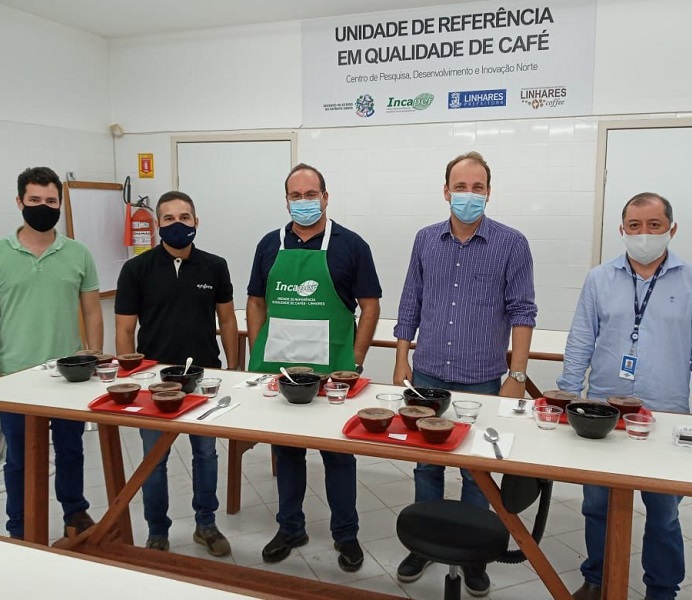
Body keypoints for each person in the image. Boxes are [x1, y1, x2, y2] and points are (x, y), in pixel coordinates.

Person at [393, 151, 537, 596]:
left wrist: (517, 375)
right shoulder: (425, 240)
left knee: (477, 470)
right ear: (446, 191)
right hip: (429, 375)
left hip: (483, 377)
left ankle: (474, 553)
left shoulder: (512, 243)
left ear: (489, 192)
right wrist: (401, 358)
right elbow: (410, 300)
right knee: (427, 464)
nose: (468, 195)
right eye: (460, 187)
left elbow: (523, 311)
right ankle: (425, 542)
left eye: (477, 187)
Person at [246, 163, 382, 572]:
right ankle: (290, 528)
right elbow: (256, 301)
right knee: (287, 453)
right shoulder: (269, 244)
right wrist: (257, 354)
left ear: (325, 197)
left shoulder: (351, 245)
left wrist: (355, 361)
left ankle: (346, 535)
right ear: (286, 200)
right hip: (284, 372)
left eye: (311, 195)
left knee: (338, 455)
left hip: (334, 373)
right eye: (296, 195)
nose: (303, 202)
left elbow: (370, 306)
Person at [558, 193, 690, 600]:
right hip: (603, 413)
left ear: (672, 229)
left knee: (664, 514)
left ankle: (662, 589)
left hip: (665, 414)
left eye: (654, 225)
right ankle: (597, 578)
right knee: (596, 504)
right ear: (622, 230)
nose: (644, 234)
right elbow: (581, 339)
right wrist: (566, 394)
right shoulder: (600, 278)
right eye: (635, 226)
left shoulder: (688, 281)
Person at [115, 190, 238, 557]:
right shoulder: (136, 269)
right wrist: (129, 378)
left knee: (206, 455)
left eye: (184, 217)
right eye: (169, 218)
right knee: (154, 460)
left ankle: (206, 525)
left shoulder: (215, 266)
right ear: (158, 225)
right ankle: (157, 531)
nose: (177, 224)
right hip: (154, 382)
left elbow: (227, 320)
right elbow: (124, 329)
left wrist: (233, 369)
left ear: (196, 222)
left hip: (204, 378)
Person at [0, 166, 104, 539]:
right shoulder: (2, 253)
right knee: (19, 458)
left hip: (68, 374)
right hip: (13, 376)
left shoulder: (78, 253)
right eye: (35, 200)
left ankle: (75, 513)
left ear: (59, 203)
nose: (43, 207)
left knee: (71, 449)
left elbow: (92, 310)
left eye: (50, 200)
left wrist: (93, 354)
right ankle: (20, 525)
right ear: (19, 202)